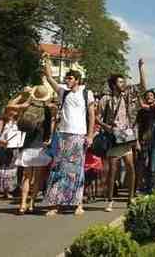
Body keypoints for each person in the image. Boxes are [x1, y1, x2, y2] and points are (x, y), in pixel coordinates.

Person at [42, 62, 96, 216]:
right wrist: (47, 65)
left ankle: (78, 203)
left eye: (70, 78)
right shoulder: (63, 92)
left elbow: (92, 115)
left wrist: (90, 135)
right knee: (59, 168)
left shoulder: (87, 93)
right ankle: (55, 204)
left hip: (79, 135)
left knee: (77, 169)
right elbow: (50, 78)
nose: (67, 80)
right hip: (63, 134)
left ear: (77, 80)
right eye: (67, 78)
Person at [100, 59, 146, 212]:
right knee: (113, 170)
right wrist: (107, 127)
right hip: (113, 137)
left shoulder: (128, 96)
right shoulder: (106, 99)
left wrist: (141, 68)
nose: (123, 84)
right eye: (120, 82)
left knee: (130, 167)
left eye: (124, 81)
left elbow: (143, 87)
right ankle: (110, 200)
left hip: (126, 136)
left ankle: (130, 198)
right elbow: (97, 118)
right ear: (114, 85)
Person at [8, 86, 54, 214]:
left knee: (26, 177)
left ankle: (22, 203)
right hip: (40, 146)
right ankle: (32, 203)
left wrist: (23, 96)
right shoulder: (47, 110)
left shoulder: (27, 106)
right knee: (37, 178)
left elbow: (10, 105)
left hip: (27, 145)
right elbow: (49, 129)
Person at [0, 108, 23, 201]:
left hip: (14, 148)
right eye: (12, 110)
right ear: (7, 111)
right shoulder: (2, 121)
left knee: (10, 170)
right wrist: (1, 141)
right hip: (2, 148)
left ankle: (7, 191)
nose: (15, 112)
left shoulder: (17, 122)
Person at [135, 89, 155, 192]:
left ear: (154, 98)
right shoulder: (140, 112)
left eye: (151, 95)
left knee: (153, 165)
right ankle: (141, 186)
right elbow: (137, 126)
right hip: (143, 141)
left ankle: (151, 186)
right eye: (147, 96)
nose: (149, 97)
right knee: (142, 164)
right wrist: (137, 141)